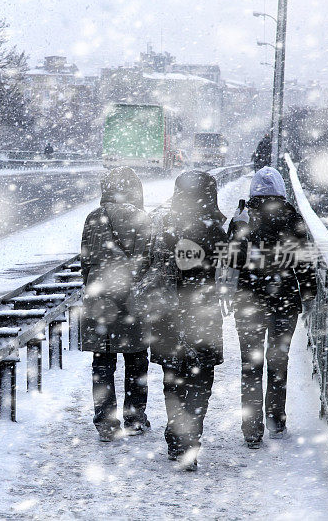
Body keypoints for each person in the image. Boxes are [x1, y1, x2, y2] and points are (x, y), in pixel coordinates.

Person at [142, 170, 228, 470]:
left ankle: (177, 436)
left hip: (168, 314)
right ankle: (190, 438)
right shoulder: (216, 229)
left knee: (173, 379)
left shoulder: (164, 224)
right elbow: (225, 269)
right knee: (201, 378)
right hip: (202, 316)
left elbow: (148, 264)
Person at [228, 166, 316, 448]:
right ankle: (276, 421)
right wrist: (310, 291)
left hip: (248, 301)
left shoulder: (242, 218)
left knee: (250, 365)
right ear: (281, 190)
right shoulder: (293, 218)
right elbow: (304, 262)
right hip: (285, 300)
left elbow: (232, 261)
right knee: (278, 362)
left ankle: (251, 430)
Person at [80, 167, 151, 442]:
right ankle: (135, 418)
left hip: (100, 298)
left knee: (102, 361)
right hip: (133, 298)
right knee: (136, 361)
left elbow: (86, 261)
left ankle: (106, 424)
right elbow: (149, 261)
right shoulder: (143, 219)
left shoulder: (94, 218)